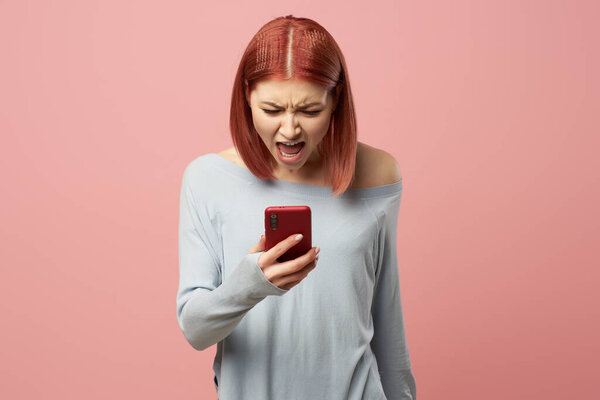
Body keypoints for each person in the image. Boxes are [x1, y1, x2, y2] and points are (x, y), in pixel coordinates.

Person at [177, 15, 416, 400]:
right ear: (246, 98)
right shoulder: (208, 179)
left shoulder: (378, 172)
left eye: (309, 111)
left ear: (335, 99)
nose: (290, 130)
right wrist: (251, 283)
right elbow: (195, 329)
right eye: (272, 111)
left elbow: (387, 320)